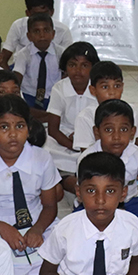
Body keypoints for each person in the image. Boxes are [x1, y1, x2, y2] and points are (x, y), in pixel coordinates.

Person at [0, 95, 60, 275]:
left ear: (29, 129)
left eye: (19, 126)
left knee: (65, 252)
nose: (12, 134)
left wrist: (38, 229)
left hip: (37, 219)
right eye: (4, 127)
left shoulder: (42, 158)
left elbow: (50, 206)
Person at [78, 100, 138, 259]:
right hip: (95, 210)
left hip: (130, 205)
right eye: (108, 130)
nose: (116, 137)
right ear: (97, 132)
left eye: (123, 129)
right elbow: (89, 200)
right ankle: (136, 239)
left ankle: (133, 237)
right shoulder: (87, 158)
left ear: (133, 132)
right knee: (89, 233)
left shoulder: (136, 154)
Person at [45, 42, 100, 176]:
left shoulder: (99, 88)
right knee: (45, 147)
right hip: (64, 138)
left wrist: (83, 141)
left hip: (92, 136)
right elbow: (53, 129)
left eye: (84, 65)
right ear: (65, 67)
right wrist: (73, 145)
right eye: (72, 65)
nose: (78, 70)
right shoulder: (59, 88)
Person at [72, 62, 138, 152]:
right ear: (93, 90)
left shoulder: (132, 110)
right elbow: (86, 152)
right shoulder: (85, 118)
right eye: (105, 87)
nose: (112, 92)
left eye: (117, 86)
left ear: (122, 87)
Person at [0, 0, 73, 68]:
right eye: (35, 15)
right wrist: (11, 76)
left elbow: (69, 63)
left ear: (52, 12)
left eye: (44, 14)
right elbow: (2, 60)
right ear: (27, 13)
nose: (40, 19)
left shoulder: (63, 31)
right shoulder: (18, 26)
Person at [12, 13, 61, 113]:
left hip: (53, 97)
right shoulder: (23, 54)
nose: (42, 35)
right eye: (37, 31)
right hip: (29, 96)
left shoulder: (61, 53)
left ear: (53, 34)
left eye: (46, 30)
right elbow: (17, 77)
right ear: (29, 36)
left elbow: (66, 77)